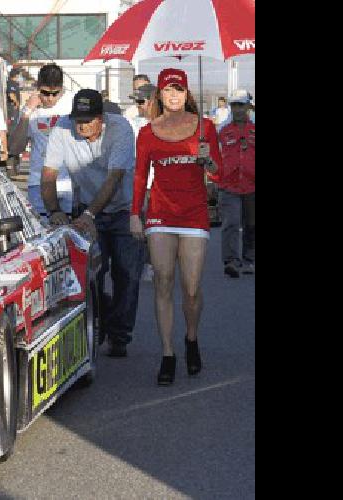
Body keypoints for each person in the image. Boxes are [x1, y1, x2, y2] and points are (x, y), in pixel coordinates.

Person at [129, 68, 223, 386]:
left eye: (178, 90)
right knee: (163, 280)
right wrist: (134, 213)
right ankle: (168, 353)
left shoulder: (205, 128)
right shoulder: (147, 132)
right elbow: (140, 176)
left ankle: (191, 339)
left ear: (187, 94)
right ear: (159, 95)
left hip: (194, 213)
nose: (173, 95)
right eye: (168, 90)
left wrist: (208, 162)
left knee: (192, 288)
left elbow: (219, 176)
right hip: (159, 215)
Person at [40, 89, 140, 358]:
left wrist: (90, 216)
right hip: (85, 207)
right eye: (78, 120)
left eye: (88, 120)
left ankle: (119, 334)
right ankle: (101, 318)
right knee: (92, 273)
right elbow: (48, 173)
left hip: (122, 209)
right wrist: (54, 211)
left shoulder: (120, 129)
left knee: (127, 274)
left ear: (102, 118)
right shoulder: (62, 128)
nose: (81, 126)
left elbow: (114, 178)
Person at [214, 88, 255, 277]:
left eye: (241, 105)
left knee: (251, 224)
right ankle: (231, 261)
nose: (238, 109)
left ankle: (249, 259)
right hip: (228, 186)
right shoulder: (222, 129)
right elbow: (214, 157)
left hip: (252, 185)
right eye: (234, 105)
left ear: (248, 106)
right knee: (231, 222)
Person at [26, 63, 67, 218]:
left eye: (55, 94)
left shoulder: (70, 105)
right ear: (38, 88)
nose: (50, 98)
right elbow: (15, 147)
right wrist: (26, 112)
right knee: (43, 236)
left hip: (67, 182)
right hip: (38, 183)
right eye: (45, 93)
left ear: (61, 89)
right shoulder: (31, 110)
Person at [128, 83, 158, 283]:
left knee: (155, 228)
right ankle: (142, 263)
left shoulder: (166, 124)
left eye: (141, 102)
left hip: (160, 184)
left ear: (153, 102)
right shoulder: (131, 123)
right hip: (139, 182)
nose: (138, 106)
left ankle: (154, 263)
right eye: (136, 102)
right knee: (139, 226)